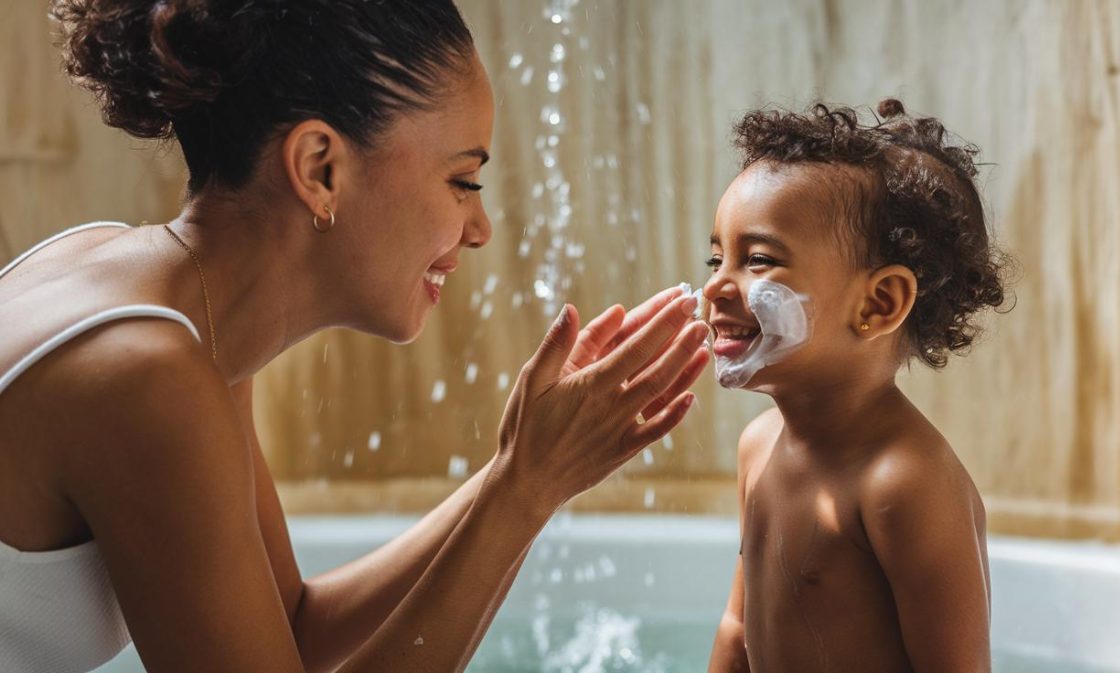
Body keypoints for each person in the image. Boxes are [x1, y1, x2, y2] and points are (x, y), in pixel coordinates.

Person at [0, 2, 710, 671]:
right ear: (320, 168)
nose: (479, 228)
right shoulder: (146, 372)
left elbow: (294, 626)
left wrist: (517, 468)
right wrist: (524, 492)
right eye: (463, 180)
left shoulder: (178, 318)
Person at [705, 100, 1008, 672]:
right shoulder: (759, 446)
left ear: (878, 303)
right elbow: (737, 628)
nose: (715, 287)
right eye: (716, 258)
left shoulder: (904, 482)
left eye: (759, 260)